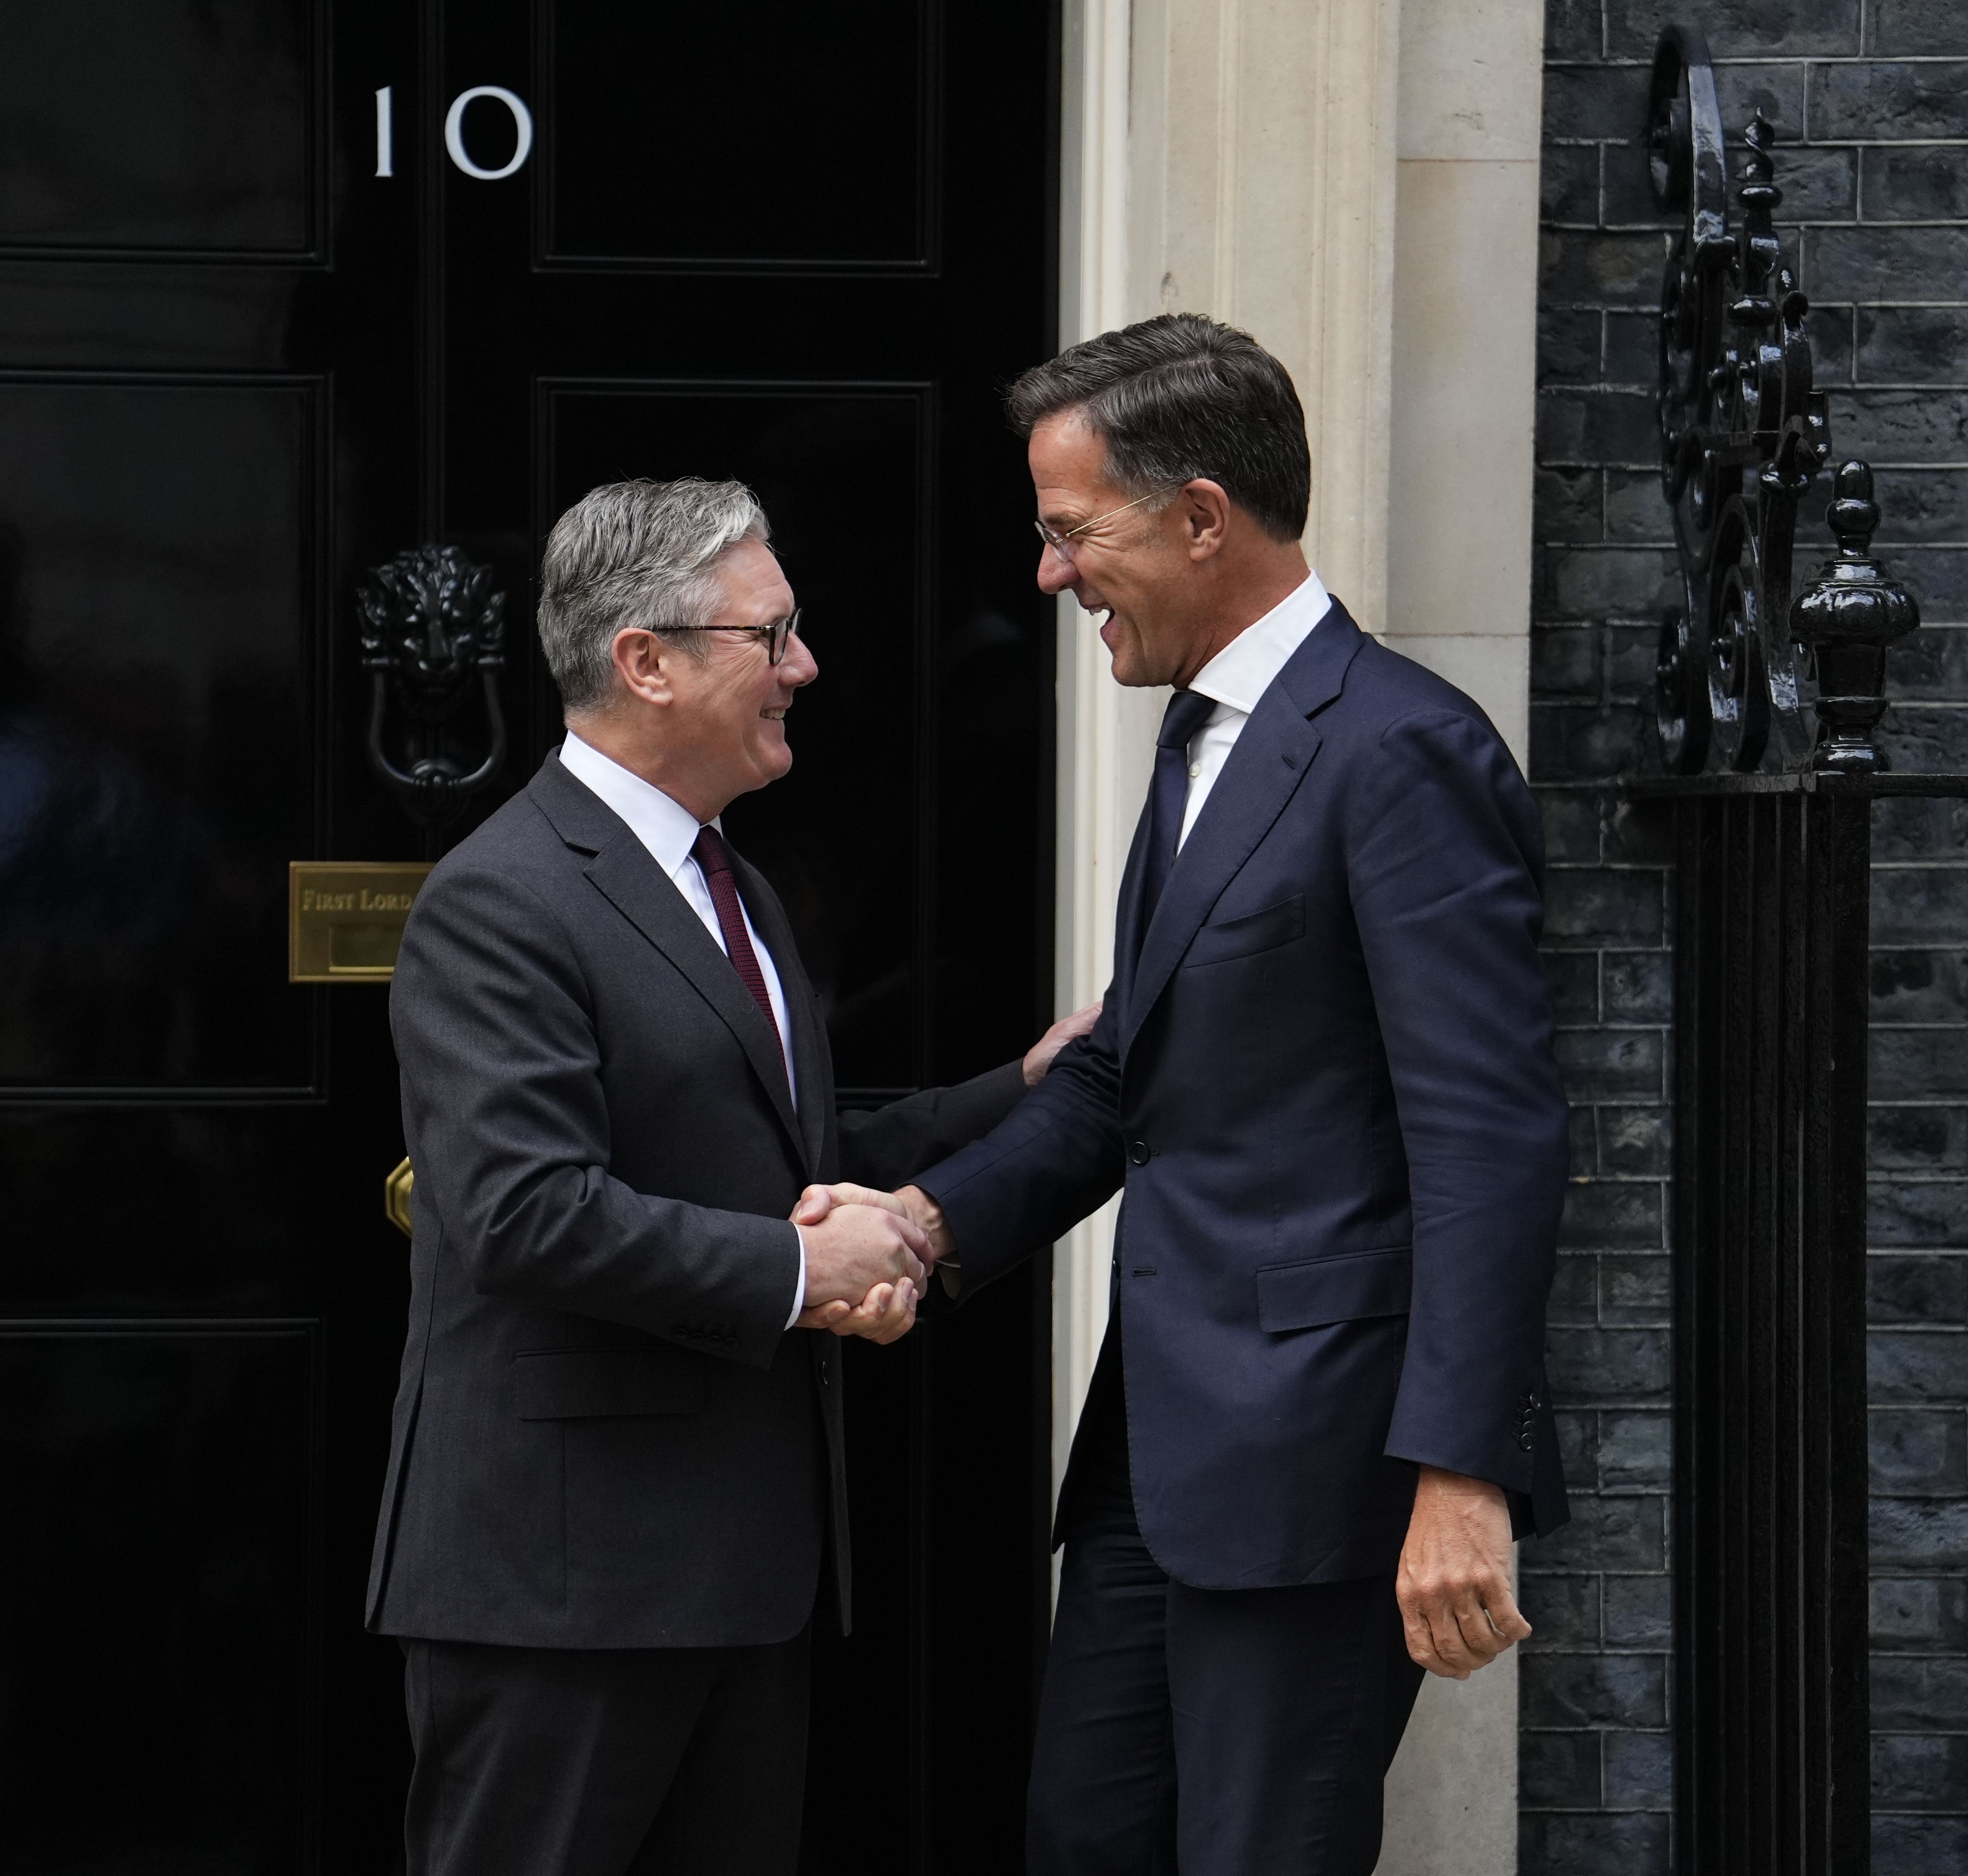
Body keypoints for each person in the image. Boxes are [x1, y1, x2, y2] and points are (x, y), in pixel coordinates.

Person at [801, 314, 1570, 1874]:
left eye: (1072, 531)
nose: (1048, 575)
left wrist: (1460, 1472)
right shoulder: (1203, 740)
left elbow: (1490, 1136)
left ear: (1203, 517)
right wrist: (929, 1225)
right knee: (1086, 1835)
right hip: (1162, 1460)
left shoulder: (1400, 751)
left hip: (1325, 1467)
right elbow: (1127, 1077)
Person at [365, 477, 1096, 1876]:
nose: (803, 667)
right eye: (771, 635)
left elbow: (786, 1160)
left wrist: (1021, 1089)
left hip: (740, 1571)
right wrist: (802, 1271)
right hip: (564, 1588)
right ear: (645, 660)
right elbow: (524, 1214)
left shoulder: (731, 884)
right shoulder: (501, 897)